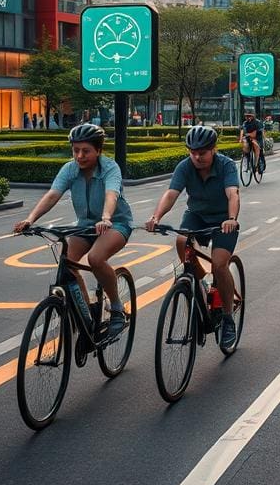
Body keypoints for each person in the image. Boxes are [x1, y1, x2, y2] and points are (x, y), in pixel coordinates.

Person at [13, 124, 134, 338]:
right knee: (67, 263)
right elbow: (52, 194)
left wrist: (106, 218)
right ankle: (86, 314)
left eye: (85, 151)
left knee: (96, 259)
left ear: (98, 150)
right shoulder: (69, 169)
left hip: (115, 224)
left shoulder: (110, 168)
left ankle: (117, 308)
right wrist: (30, 219)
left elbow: (111, 195)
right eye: (75, 150)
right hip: (85, 226)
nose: (79, 156)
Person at [145, 125, 241, 349]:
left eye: (203, 152)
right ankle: (199, 281)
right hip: (196, 215)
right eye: (193, 152)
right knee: (180, 240)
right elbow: (171, 194)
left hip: (223, 220)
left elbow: (232, 193)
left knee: (219, 264)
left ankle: (227, 317)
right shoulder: (184, 167)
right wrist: (156, 216)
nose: (197, 157)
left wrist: (231, 218)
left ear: (213, 150)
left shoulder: (226, 165)